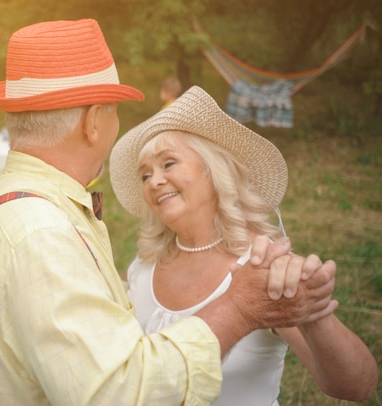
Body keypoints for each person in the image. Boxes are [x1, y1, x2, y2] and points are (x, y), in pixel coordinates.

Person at [0, 19, 338, 405]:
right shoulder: (42, 232)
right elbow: (119, 395)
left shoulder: (3, 204)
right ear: (93, 122)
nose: (154, 181)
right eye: (113, 112)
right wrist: (238, 309)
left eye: (168, 165)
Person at [109, 85, 378, 405]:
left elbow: (356, 387)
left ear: (214, 172)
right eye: (144, 175)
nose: (154, 181)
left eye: (168, 164)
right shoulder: (143, 267)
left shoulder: (264, 267)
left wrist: (313, 312)